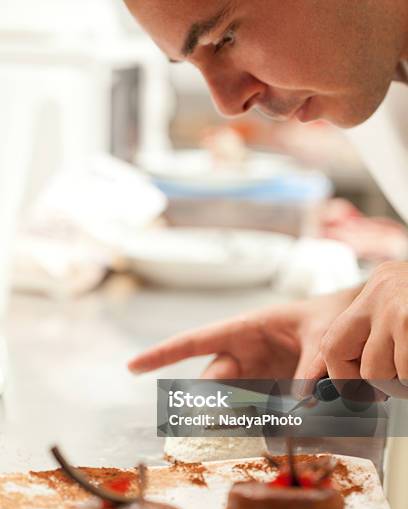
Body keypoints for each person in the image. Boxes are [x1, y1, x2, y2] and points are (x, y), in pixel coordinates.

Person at [123, 2, 408, 468]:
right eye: (191, 64)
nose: (227, 103)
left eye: (226, 37)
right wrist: (356, 311)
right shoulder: (364, 71)